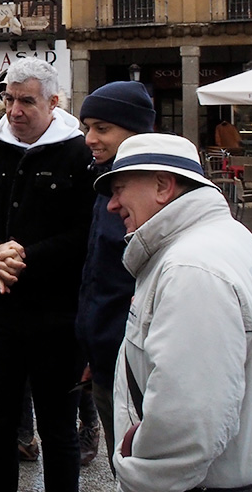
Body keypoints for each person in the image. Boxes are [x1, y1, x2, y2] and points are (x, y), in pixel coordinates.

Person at [95, 134, 252, 492]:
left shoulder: (191, 268)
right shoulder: (226, 237)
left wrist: (138, 478)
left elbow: (188, 420)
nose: (112, 205)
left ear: (163, 186)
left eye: (120, 189)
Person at [0, 58, 94, 492]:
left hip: (57, 316)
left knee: (57, 427)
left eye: (27, 101)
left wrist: (23, 258)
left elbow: (83, 233)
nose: (14, 110)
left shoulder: (78, 154)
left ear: (54, 102)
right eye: (9, 99)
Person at [76, 81, 156, 470]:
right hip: (108, 361)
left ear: (135, 131)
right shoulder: (105, 182)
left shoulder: (151, 193)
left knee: (138, 468)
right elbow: (99, 276)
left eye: (102, 128)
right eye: (87, 126)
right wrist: (94, 349)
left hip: (138, 371)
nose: (90, 138)